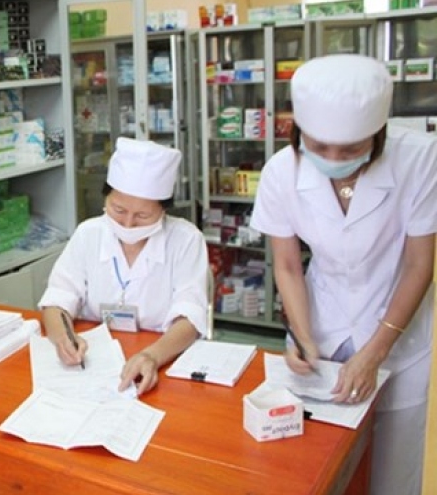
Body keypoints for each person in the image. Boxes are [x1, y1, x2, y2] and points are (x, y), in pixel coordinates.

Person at [250, 54, 436, 495]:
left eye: (351, 150)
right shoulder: (281, 171)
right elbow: (288, 264)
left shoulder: (420, 159)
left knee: (393, 472)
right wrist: (302, 335)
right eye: (318, 147)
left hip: (399, 333)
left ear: (378, 133)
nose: (334, 158)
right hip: (324, 318)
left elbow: (419, 266)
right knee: (322, 465)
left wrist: (374, 353)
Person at [38, 138, 209, 395]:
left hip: (163, 359)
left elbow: (191, 317)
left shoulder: (186, 240)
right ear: (106, 198)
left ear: (163, 210)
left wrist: (151, 356)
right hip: (93, 362)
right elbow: (57, 299)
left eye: (142, 215)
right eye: (118, 210)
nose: (128, 224)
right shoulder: (89, 233)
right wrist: (64, 338)